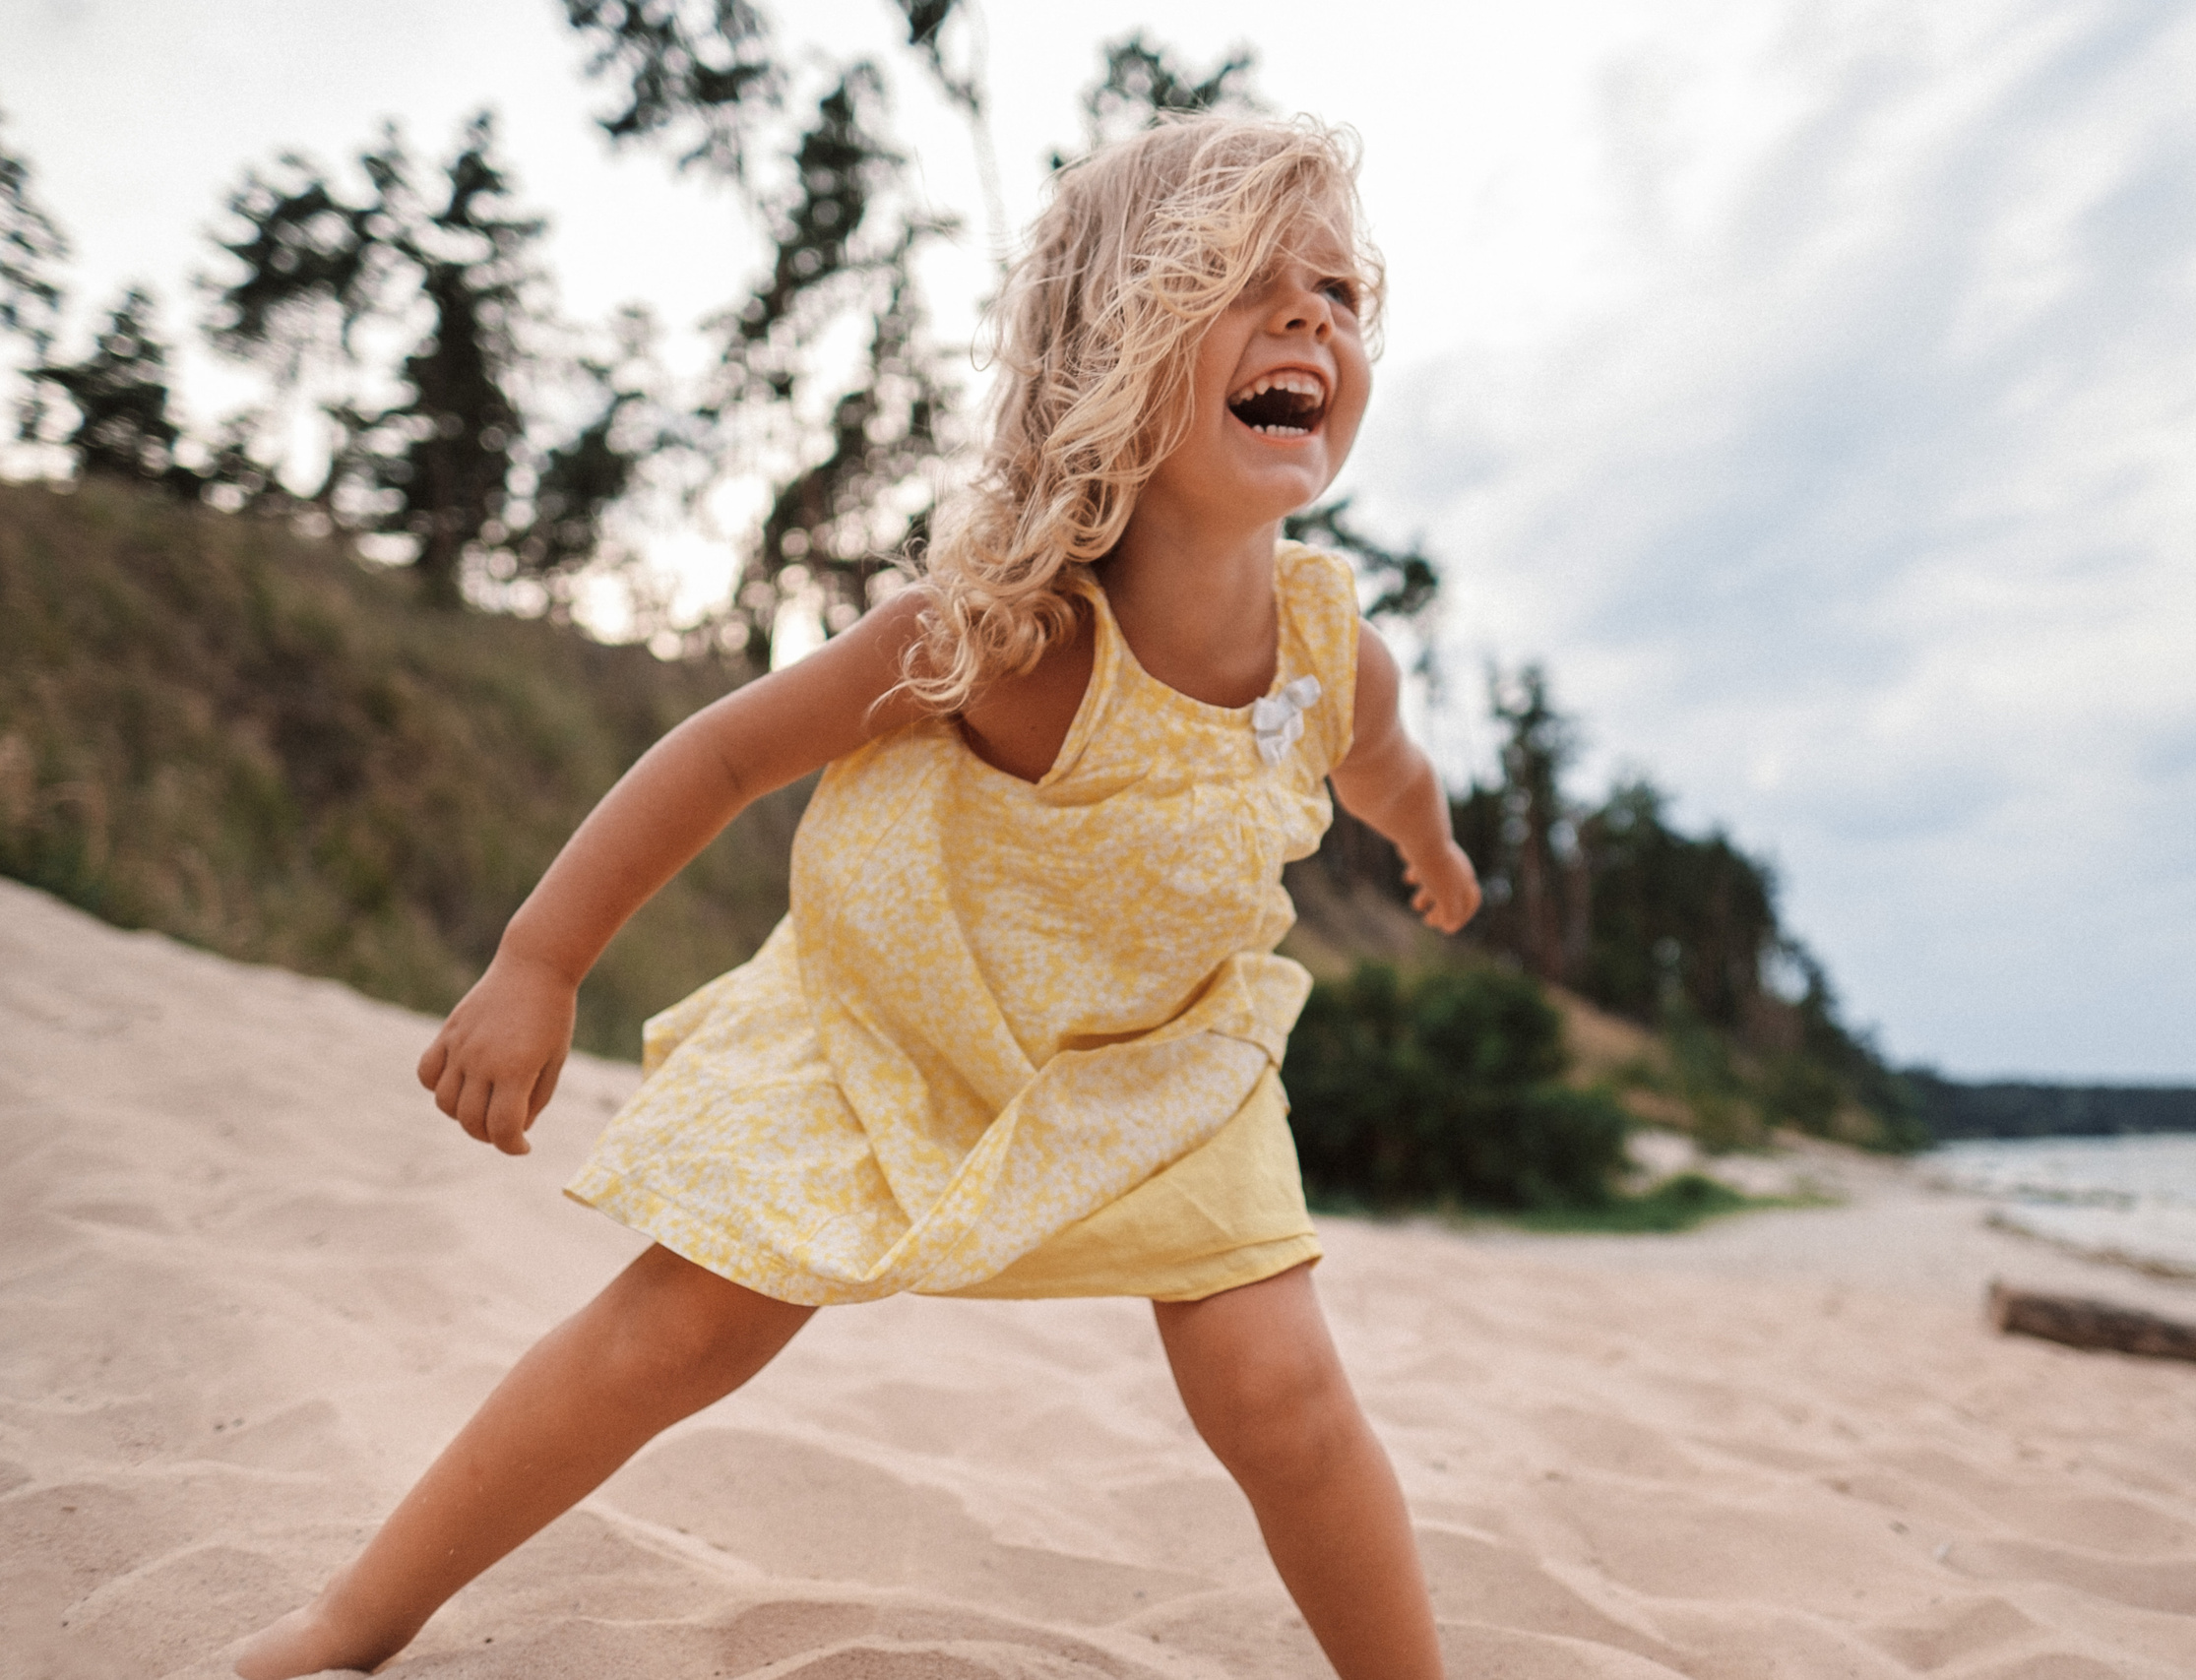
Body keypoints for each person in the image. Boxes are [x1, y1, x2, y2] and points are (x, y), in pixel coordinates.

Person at [234, 114, 1475, 1680]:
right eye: (1240, 280)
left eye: (1337, 291)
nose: (1307, 316)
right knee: (686, 1329)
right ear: (1109, 351)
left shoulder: (1333, 656)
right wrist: (539, 963)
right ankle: (351, 1623)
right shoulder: (999, 639)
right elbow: (722, 756)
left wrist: (1435, 856)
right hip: (892, 1032)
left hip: (1163, 1068)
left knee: (1281, 1397)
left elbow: (1387, 772)